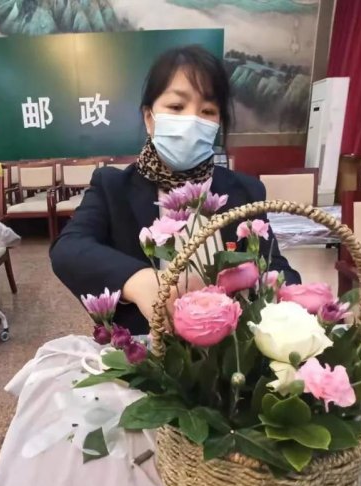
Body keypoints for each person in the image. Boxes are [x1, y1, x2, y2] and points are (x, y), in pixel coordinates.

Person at [50, 45, 301, 335]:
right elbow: (69, 248)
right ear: (149, 118)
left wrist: (294, 301)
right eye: (176, 107)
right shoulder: (112, 187)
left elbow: (273, 264)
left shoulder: (245, 190)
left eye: (208, 111)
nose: (192, 120)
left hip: (233, 346)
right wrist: (138, 279)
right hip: (147, 347)